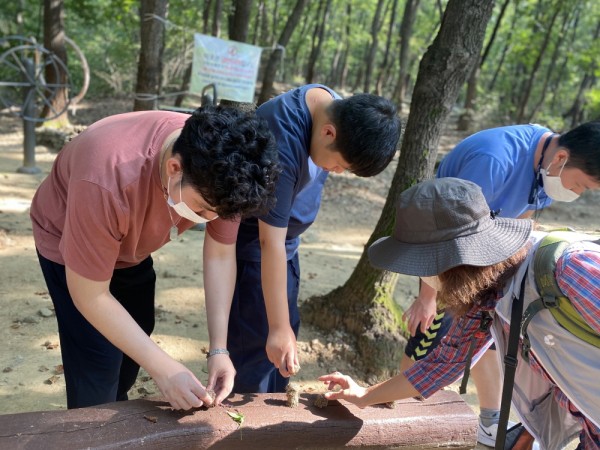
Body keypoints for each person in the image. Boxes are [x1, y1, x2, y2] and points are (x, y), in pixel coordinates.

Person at [319, 178, 600, 450]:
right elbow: (441, 365)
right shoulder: (490, 294)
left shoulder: (567, 269)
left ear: (456, 262)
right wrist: (365, 396)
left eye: (424, 263)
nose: (422, 276)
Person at [30, 105, 280, 410]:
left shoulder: (226, 170)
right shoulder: (108, 176)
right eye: (202, 209)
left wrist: (219, 350)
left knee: (136, 334)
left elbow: (220, 255)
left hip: (131, 248)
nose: (208, 219)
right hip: (68, 240)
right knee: (97, 359)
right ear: (174, 169)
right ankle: (93, 424)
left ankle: (115, 405)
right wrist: (164, 368)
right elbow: (90, 294)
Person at [401, 121, 600, 446]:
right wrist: (428, 296)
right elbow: (445, 232)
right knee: (431, 336)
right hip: (451, 264)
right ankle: (402, 411)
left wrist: (501, 288)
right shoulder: (494, 161)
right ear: (561, 157)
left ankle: (491, 420)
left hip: (491, 264)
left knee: (492, 336)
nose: (576, 194)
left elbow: (519, 226)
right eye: (580, 185)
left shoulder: (545, 168)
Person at [215, 84, 402, 394]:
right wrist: (277, 326)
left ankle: (274, 416)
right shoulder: (282, 140)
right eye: (340, 164)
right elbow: (268, 241)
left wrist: (282, 327)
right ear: (328, 133)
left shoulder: (336, 110)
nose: (337, 172)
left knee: (283, 343)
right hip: (255, 252)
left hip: (285, 247)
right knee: (258, 351)